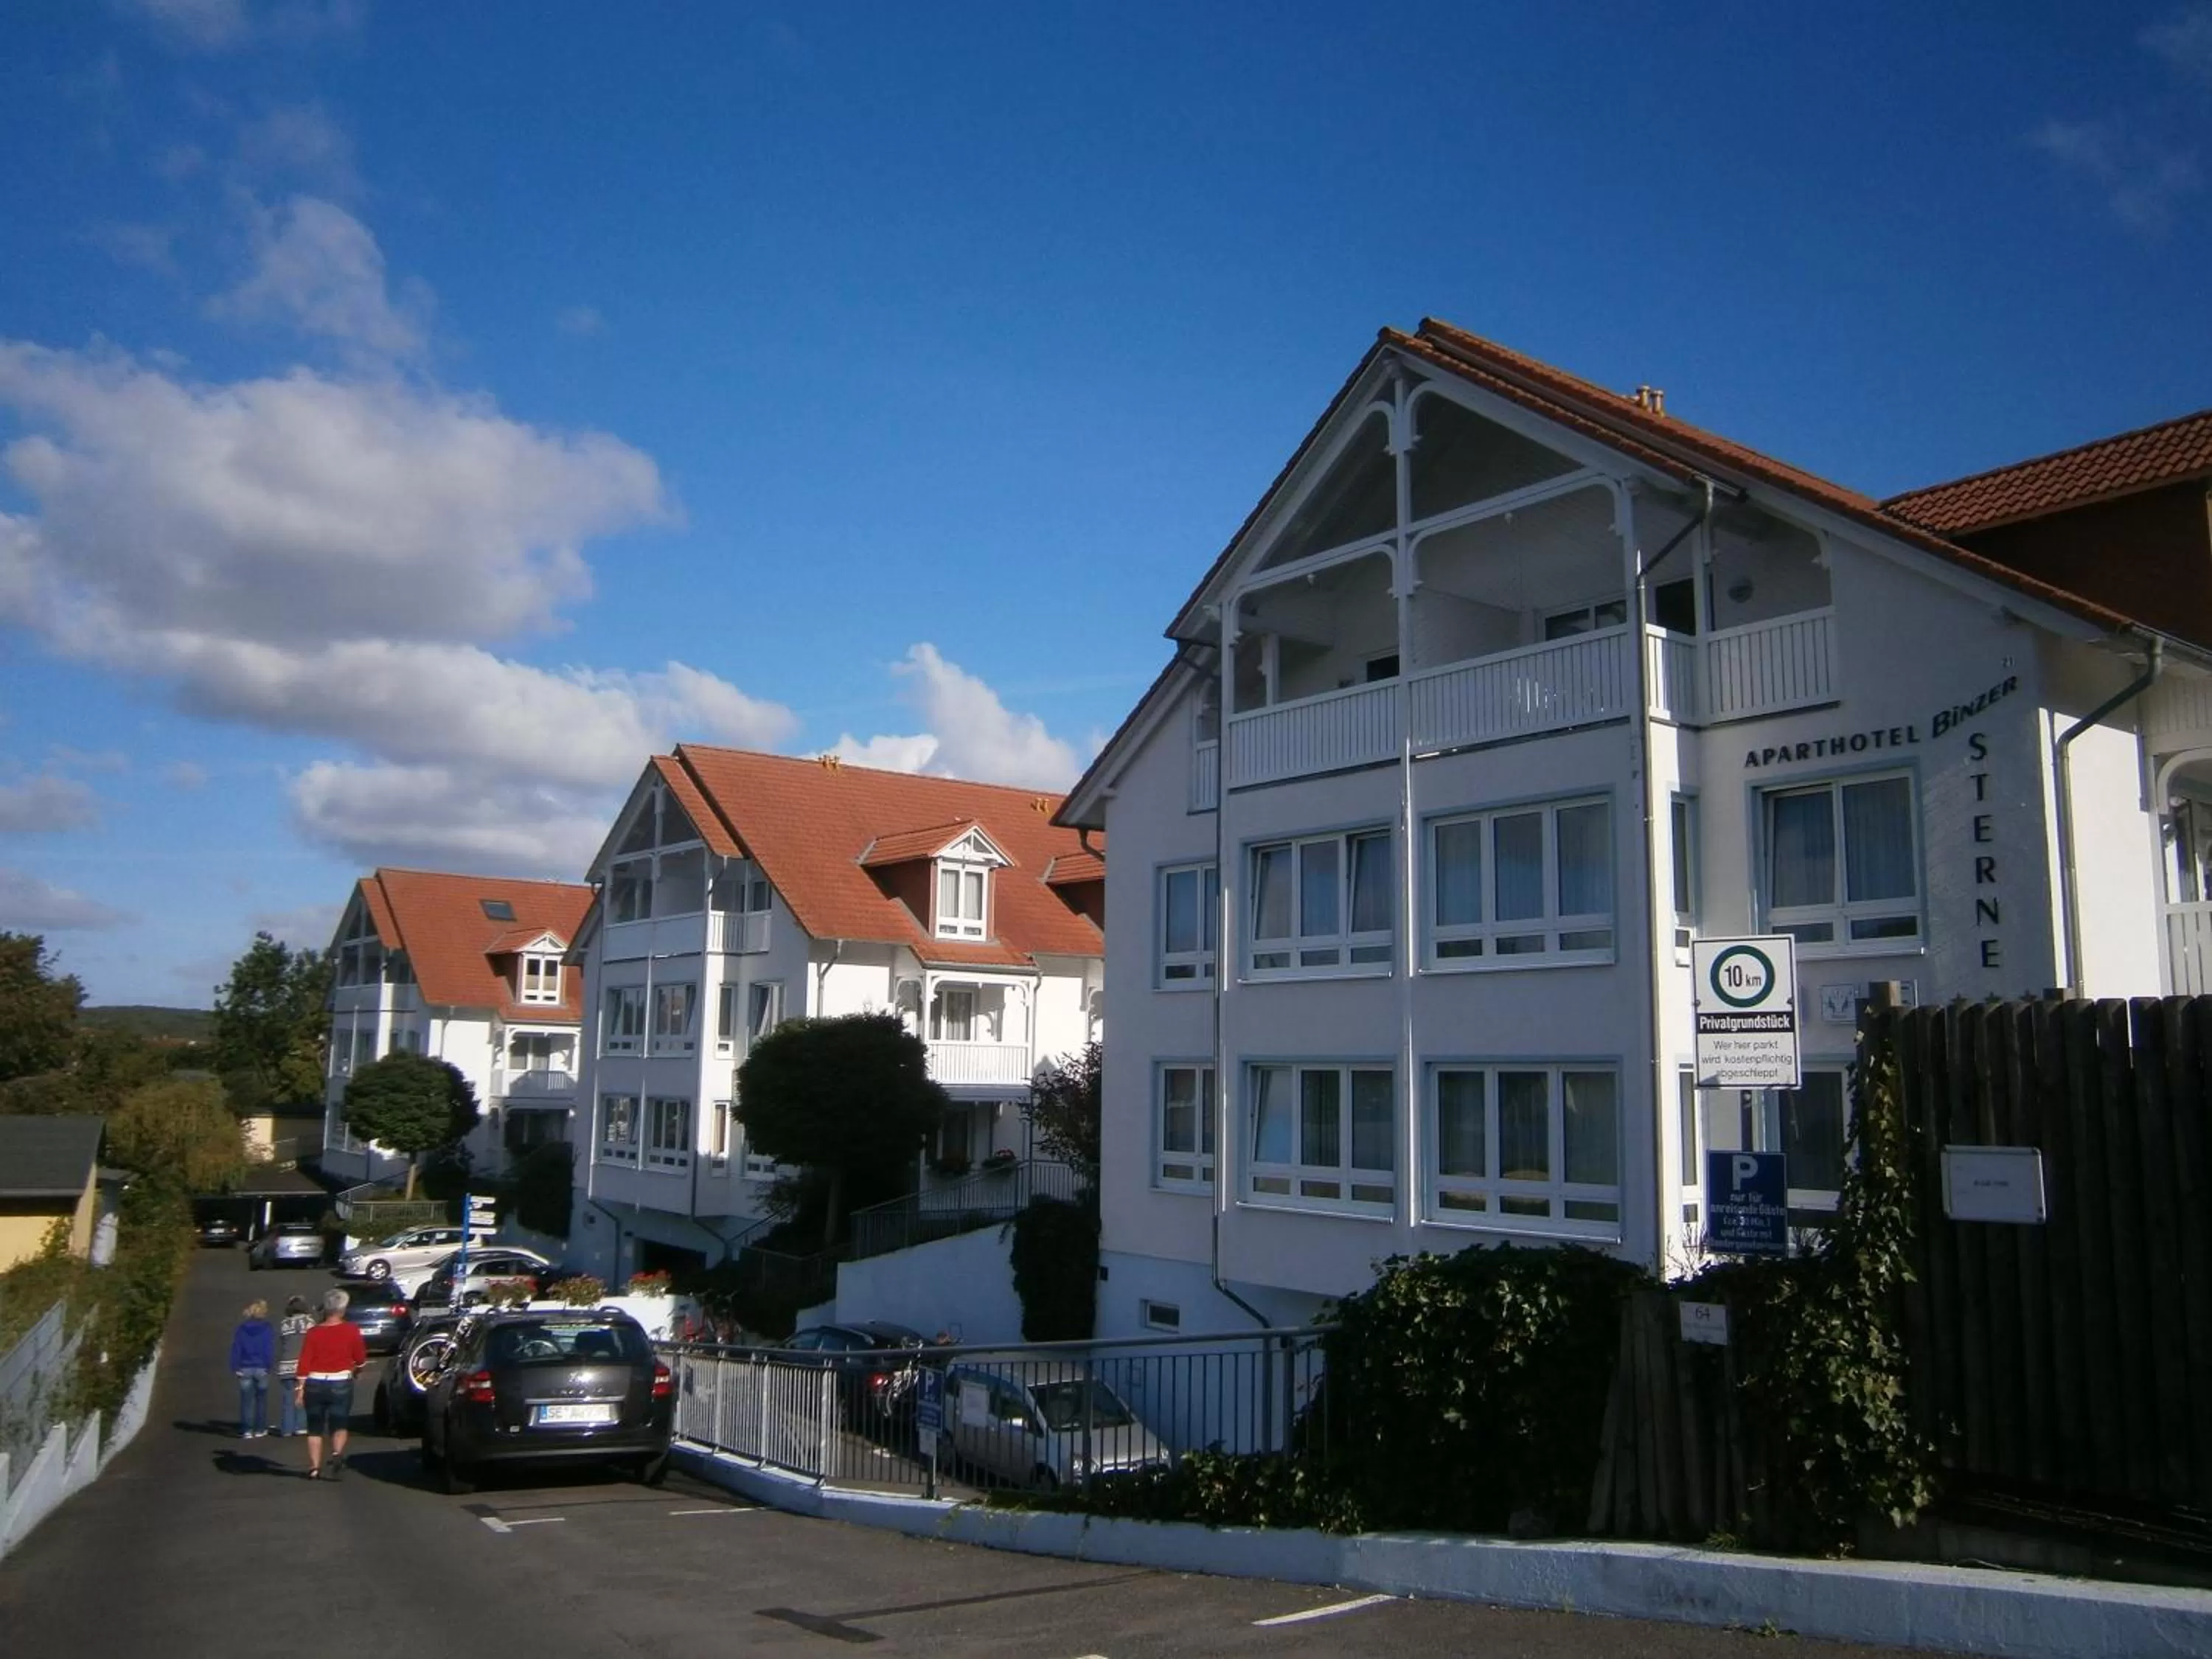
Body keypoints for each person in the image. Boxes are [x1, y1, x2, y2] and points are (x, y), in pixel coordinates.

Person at [293, 1287, 368, 1480]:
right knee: (339, 1423)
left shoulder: (313, 1333)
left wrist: (300, 1389)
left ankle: (314, 1468)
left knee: (314, 1427)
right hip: (340, 1382)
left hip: (315, 1382)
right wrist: (358, 1370)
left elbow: (304, 1362)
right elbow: (360, 1358)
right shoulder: (351, 1330)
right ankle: (336, 1453)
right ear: (343, 1309)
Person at [229, 1300, 276, 1439]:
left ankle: (247, 1430)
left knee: (247, 1400)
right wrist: (269, 1365)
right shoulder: (267, 1328)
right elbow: (269, 1349)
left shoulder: (242, 1329)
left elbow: (237, 1348)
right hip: (261, 1367)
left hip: (245, 1367)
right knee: (261, 1399)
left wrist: (235, 1366)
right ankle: (260, 1428)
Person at [274, 1295, 313, 1436]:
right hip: (303, 1365)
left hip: (286, 1365)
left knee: (287, 1399)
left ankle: (286, 1429)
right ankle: (301, 1426)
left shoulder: (284, 1323)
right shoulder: (310, 1323)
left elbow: (281, 1344)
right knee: (303, 1397)